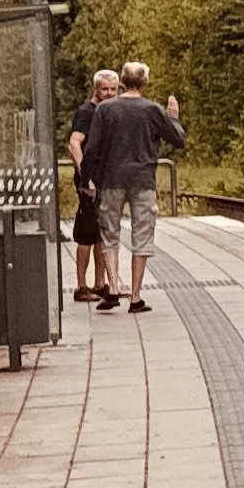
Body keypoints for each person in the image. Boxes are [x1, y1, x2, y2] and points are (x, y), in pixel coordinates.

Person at [79, 64, 185, 311]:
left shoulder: (104, 109)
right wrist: (173, 118)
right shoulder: (153, 109)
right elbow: (178, 140)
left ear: (123, 81)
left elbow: (91, 148)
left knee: (109, 235)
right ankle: (135, 296)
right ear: (145, 81)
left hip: (111, 180)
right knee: (142, 235)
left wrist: (86, 180)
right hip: (142, 181)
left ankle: (114, 288)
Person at [67, 68, 120, 303]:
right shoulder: (86, 112)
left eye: (113, 89)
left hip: (105, 179)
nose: (109, 93)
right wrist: (84, 174)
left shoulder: (108, 112)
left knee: (101, 232)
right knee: (86, 233)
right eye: (104, 89)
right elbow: (74, 144)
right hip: (89, 182)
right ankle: (81, 286)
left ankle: (101, 283)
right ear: (95, 89)